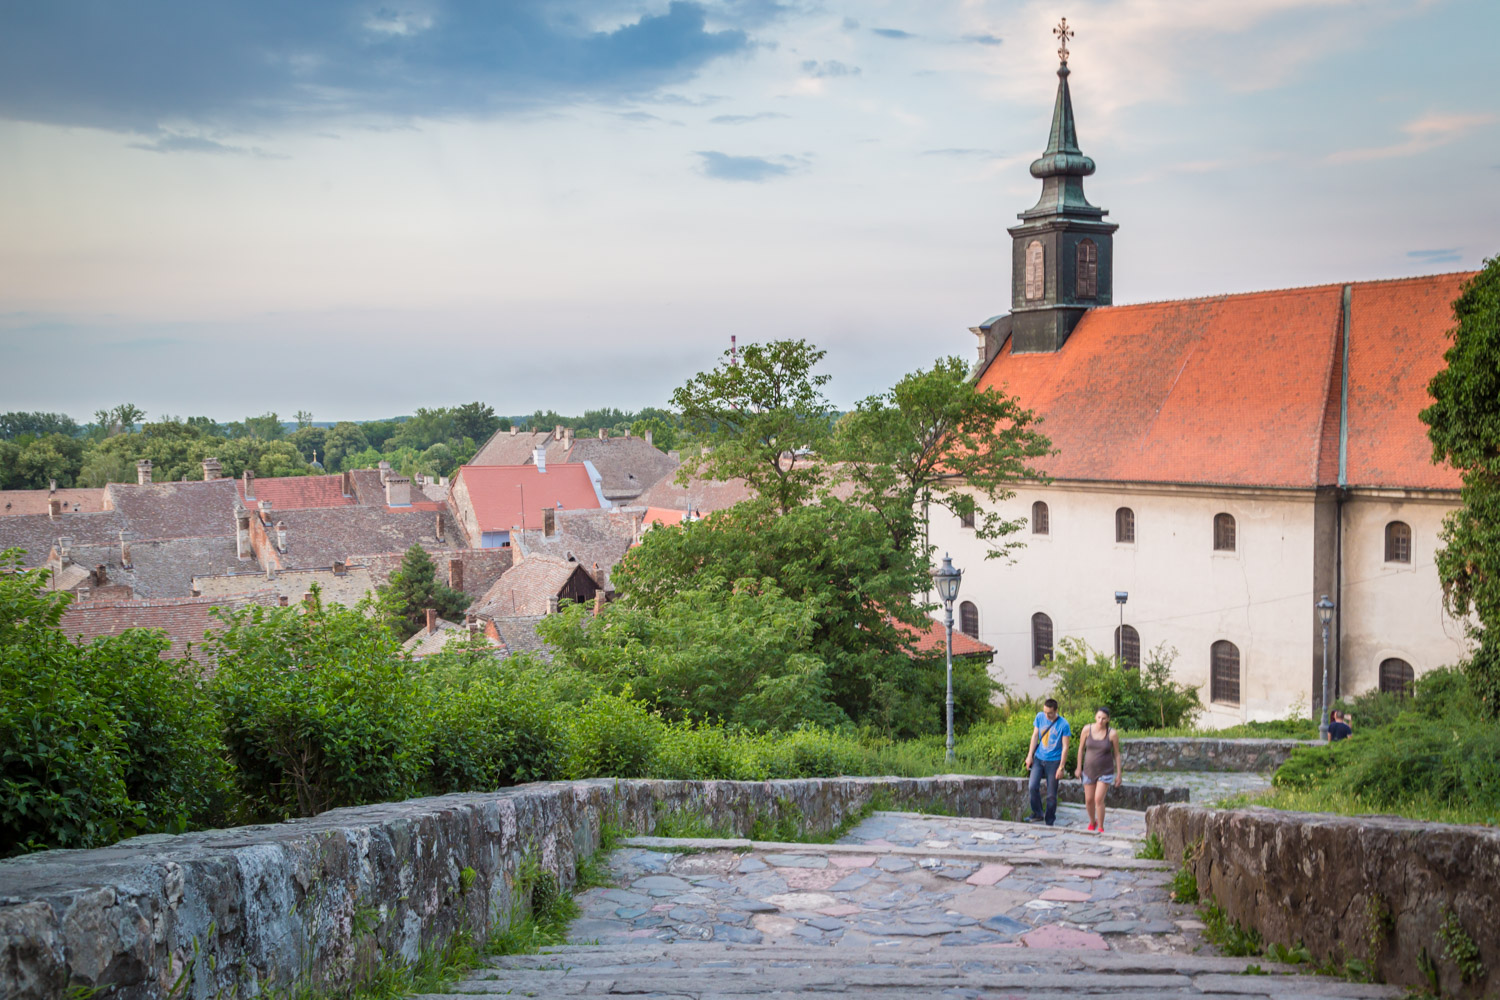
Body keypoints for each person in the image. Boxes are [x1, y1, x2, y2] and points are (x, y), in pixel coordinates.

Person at [1074, 707, 1123, 833]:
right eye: (1099, 717)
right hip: (1089, 770)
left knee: (1098, 799)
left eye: (1104, 718)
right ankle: (1092, 821)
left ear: (1108, 720)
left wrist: (1119, 774)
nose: (1101, 720)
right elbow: (1080, 749)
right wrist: (1078, 767)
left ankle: (1101, 826)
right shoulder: (1087, 729)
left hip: (1105, 771)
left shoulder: (1112, 733)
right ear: (1095, 717)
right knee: (1089, 800)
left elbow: (1117, 754)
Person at [1023, 698, 1071, 826]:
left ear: (1056, 710)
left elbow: (1065, 747)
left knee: (1051, 794)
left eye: (1049, 713)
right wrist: (1030, 756)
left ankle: (1049, 821)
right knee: (1032, 786)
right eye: (1045, 712)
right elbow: (1034, 736)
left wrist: (1061, 767)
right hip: (1039, 758)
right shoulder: (1039, 717)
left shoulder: (1063, 724)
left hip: (1054, 762)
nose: (1046, 715)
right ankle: (1038, 813)